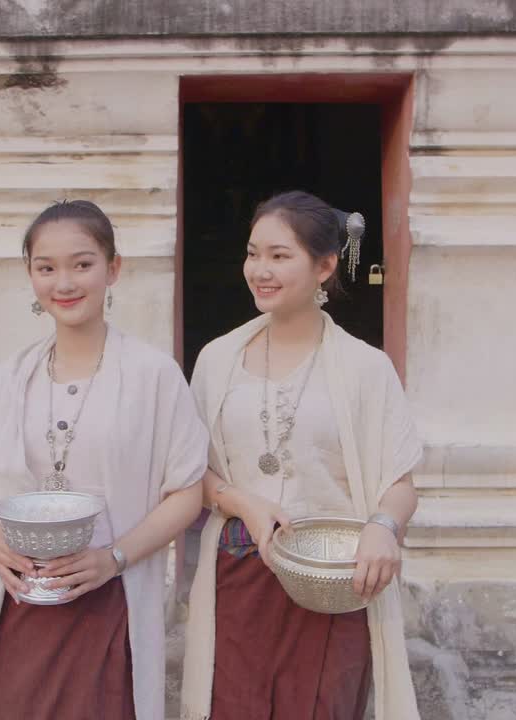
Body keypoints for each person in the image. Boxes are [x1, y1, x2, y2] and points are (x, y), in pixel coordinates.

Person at [0, 200, 209, 720]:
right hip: (13, 608)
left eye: (82, 264)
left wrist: (113, 558)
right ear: (31, 276)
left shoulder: (153, 375)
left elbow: (186, 493)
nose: (64, 282)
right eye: (47, 268)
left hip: (109, 603)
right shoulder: (7, 379)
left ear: (114, 268)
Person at [181, 190, 424, 720]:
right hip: (239, 575)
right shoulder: (218, 358)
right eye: (252, 253)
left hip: (334, 584)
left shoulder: (366, 367)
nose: (259, 270)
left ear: (326, 265)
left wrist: (382, 526)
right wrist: (239, 500)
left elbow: (400, 481)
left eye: (279, 255)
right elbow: (189, 472)